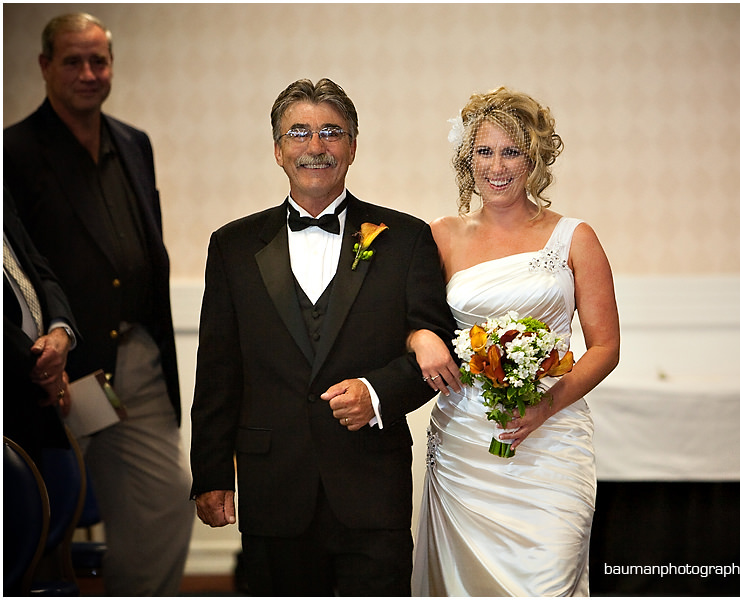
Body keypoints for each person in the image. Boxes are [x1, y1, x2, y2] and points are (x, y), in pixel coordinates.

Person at [189, 77, 457, 596]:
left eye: (332, 132)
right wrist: (211, 472)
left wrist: (377, 393)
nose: (316, 146)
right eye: (299, 133)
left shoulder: (405, 238)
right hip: (273, 488)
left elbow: (439, 350)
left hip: (370, 486)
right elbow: (218, 368)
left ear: (353, 147)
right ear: (277, 150)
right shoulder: (232, 246)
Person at [3, 13, 193, 595]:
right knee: (43, 515)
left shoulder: (133, 143)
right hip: (55, 371)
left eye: (99, 61)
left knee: (168, 501)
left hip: (136, 358)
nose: (89, 73)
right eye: (73, 61)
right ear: (44, 66)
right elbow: (26, 270)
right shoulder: (14, 152)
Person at [408, 87, 620, 596]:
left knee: (548, 580)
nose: (496, 166)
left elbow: (606, 347)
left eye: (512, 151)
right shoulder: (441, 235)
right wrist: (420, 337)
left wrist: (546, 407)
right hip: (465, 446)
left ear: (535, 159)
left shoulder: (575, 237)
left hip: (552, 441)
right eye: (484, 151)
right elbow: (408, 318)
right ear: (467, 159)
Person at [4, 188, 78, 469]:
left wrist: (60, 333)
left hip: (31, 399)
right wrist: (42, 363)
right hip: (14, 383)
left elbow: (40, 269)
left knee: (38, 508)